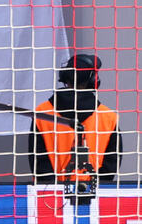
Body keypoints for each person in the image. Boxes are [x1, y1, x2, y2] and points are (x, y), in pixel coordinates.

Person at [28, 54, 122, 197]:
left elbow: (38, 161)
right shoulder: (108, 117)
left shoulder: (42, 113)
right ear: (93, 80)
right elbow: (111, 164)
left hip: (51, 197)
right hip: (94, 195)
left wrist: (54, 188)